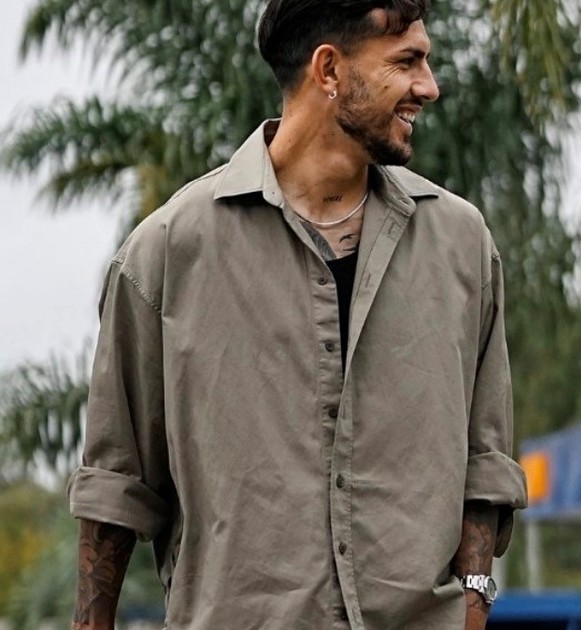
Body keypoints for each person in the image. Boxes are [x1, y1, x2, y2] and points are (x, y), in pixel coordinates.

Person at [66, 1, 527, 628]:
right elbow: (115, 490)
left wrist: (474, 609)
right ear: (329, 70)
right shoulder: (167, 254)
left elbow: (485, 466)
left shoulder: (462, 245)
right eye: (407, 62)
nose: (429, 86)